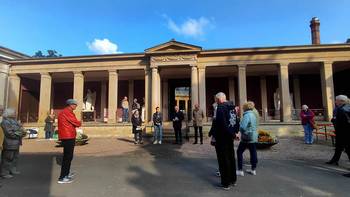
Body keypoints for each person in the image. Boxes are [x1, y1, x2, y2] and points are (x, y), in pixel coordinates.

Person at [209, 92, 238, 190]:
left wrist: (213, 135)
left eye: (216, 100)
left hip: (222, 137)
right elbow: (235, 121)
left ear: (219, 99)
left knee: (223, 160)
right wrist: (235, 133)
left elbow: (221, 125)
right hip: (230, 136)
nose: (216, 102)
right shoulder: (232, 107)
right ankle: (233, 180)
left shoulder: (220, 108)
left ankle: (226, 183)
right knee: (231, 158)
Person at [57, 99, 81, 184]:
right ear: (70, 105)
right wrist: (79, 122)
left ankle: (66, 174)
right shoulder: (67, 112)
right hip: (68, 136)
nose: (76, 106)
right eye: (75, 104)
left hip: (68, 135)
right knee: (67, 157)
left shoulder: (66, 111)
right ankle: (62, 177)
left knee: (68, 157)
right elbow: (76, 122)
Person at [0, 108, 26, 179]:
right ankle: (4, 173)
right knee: (7, 158)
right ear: (9, 114)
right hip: (9, 143)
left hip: (16, 143)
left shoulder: (15, 121)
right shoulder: (5, 122)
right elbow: (9, 133)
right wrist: (19, 134)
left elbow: (21, 130)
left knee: (14, 158)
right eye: (14, 113)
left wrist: (21, 132)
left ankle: (12, 170)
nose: (16, 114)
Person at [326, 95, 350, 167]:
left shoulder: (343, 109)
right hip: (342, 132)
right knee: (338, 147)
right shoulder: (344, 108)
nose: (335, 101)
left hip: (344, 133)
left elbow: (342, 122)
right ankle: (335, 160)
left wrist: (334, 120)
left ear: (341, 101)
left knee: (348, 150)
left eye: (336, 100)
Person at [236, 101, 259, 176]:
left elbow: (242, 127)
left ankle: (240, 170)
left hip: (247, 137)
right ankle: (253, 169)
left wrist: (241, 132)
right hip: (254, 136)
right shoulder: (253, 114)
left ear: (246, 107)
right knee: (253, 152)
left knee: (239, 151)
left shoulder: (247, 115)